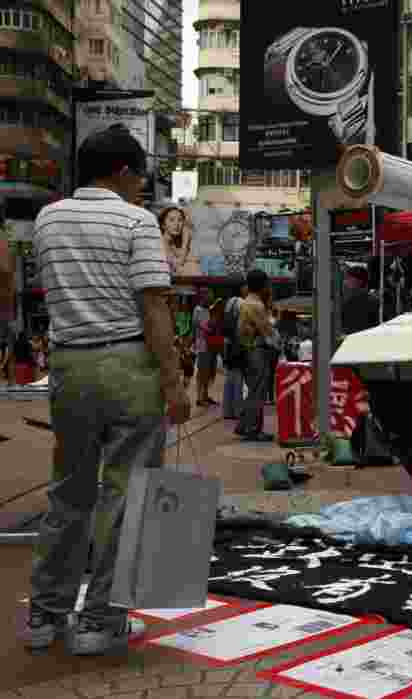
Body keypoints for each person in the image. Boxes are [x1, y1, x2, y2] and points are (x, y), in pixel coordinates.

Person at [25, 124, 189, 655]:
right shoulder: (136, 222)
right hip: (127, 363)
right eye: (139, 175)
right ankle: (99, 622)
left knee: (68, 492)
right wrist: (174, 382)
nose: (143, 186)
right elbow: (154, 307)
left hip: (68, 366)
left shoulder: (47, 218)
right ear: (121, 171)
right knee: (124, 493)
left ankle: (45, 617)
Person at [236, 268, 274, 441]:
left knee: (254, 389)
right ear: (263, 285)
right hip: (256, 351)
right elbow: (268, 331)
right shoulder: (256, 305)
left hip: (246, 350)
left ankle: (244, 424)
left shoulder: (245, 302)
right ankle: (252, 429)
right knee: (258, 390)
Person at [222, 277, 247, 419]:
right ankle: (238, 411)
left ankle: (227, 411)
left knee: (229, 378)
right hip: (238, 344)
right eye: (245, 287)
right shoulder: (242, 303)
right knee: (238, 378)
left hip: (229, 345)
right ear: (241, 288)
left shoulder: (229, 303)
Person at [191, 289, 217, 407]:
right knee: (202, 371)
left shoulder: (209, 309)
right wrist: (210, 326)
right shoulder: (198, 310)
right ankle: (199, 398)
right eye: (209, 296)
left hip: (211, 343)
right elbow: (201, 326)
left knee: (208, 371)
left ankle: (205, 395)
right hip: (202, 343)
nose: (211, 298)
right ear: (203, 296)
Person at [340, 266, 380, 336]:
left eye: (348, 278)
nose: (345, 282)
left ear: (359, 281)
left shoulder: (353, 301)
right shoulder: (373, 300)